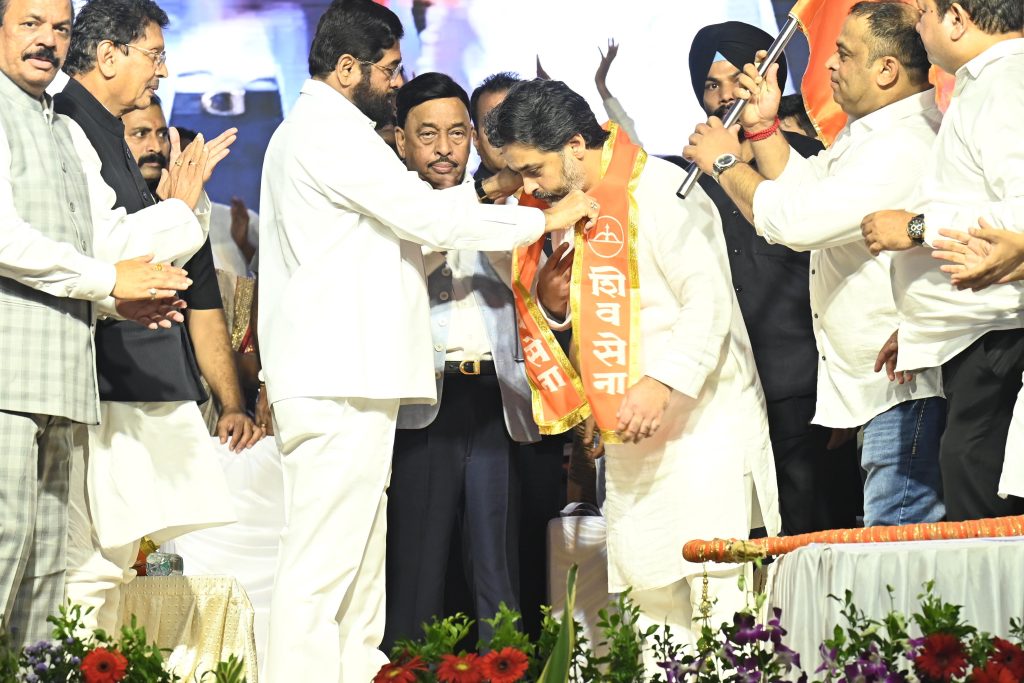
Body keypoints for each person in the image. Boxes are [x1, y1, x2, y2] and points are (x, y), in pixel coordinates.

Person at [257, 2, 597, 681]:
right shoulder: (327, 133)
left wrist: (501, 197)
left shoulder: (335, 133)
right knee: (322, 564)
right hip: (335, 377)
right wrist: (543, 219)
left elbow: (424, 215)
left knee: (358, 563)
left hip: (356, 377)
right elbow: (426, 219)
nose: (397, 81)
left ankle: (356, 670)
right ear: (347, 68)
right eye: (389, 69)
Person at [490, 78, 780, 669]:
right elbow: (596, 317)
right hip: (633, 440)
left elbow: (709, 302)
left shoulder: (661, 190)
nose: (529, 186)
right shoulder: (571, 205)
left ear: (575, 146)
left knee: (718, 601)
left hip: (702, 430)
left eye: (533, 169)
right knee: (651, 613)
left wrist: (663, 381)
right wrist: (554, 306)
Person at [684, 1, 946, 527]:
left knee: (898, 554)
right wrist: (763, 130)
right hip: (876, 390)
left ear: (886, 70)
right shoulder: (869, 133)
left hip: (904, 389)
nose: (828, 64)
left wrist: (725, 162)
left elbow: (796, 221)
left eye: (843, 55)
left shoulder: (903, 143)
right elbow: (805, 187)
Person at [54, 0, 261, 634]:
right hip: (101, 378)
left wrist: (177, 210)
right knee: (90, 563)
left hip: (133, 378)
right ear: (107, 55)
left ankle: (102, 665)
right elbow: (105, 252)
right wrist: (180, 209)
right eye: (155, 55)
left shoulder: (99, 126)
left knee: (114, 563)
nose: (163, 72)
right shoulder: (72, 126)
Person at [0, 0, 193, 644]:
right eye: (30, 24)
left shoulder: (63, 128)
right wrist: (111, 282)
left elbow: (92, 244)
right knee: (4, 545)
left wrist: (120, 299)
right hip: (7, 378)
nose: (48, 41)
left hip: (63, 377)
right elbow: (6, 238)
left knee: (46, 571)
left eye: (59, 28)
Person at [382, 71, 539, 648]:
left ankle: (508, 667)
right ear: (402, 140)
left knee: (498, 566)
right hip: (423, 401)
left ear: (473, 137)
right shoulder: (386, 208)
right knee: (418, 565)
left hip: (496, 400)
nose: (444, 148)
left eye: (457, 133)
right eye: (428, 135)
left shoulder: (504, 206)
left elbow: (536, 292)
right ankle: (410, 670)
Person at [685, 21, 861, 535]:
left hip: (806, 389)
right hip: (729, 392)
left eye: (734, 81)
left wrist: (838, 391)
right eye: (711, 86)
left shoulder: (812, 161)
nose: (724, 97)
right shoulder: (687, 179)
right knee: (745, 536)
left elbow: (844, 276)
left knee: (817, 537)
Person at [860, 0, 1024, 520]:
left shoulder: (1006, 83)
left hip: (998, 340)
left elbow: (1019, 216)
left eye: (924, 12)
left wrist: (915, 228)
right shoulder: (985, 84)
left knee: (984, 517)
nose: (917, 23)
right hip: (979, 340)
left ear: (957, 18)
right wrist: (920, 319)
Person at [469, 71, 520, 181]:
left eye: (512, 121)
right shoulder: (466, 192)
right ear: (476, 139)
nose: (503, 134)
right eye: (491, 125)